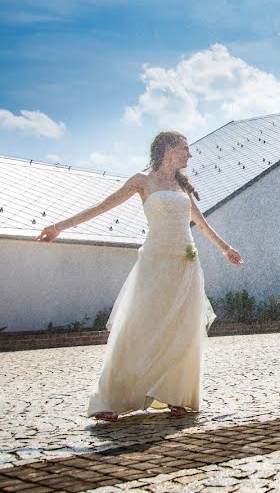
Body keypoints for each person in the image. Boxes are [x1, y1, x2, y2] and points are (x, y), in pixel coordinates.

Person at [36, 131, 243, 421]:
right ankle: (111, 398)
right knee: (139, 326)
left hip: (185, 265)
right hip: (154, 263)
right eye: (185, 148)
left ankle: (176, 394)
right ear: (169, 148)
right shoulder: (141, 181)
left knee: (182, 331)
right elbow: (101, 207)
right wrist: (59, 227)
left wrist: (226, 249)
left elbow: (202, 224)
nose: (190, 154)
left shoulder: (182, 187)